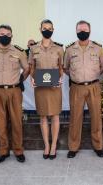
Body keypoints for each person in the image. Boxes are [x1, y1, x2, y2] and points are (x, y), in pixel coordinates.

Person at [64, 20, 103, 158]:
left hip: (94, 86)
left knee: (96, 117)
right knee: (75, 118)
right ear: (76, 31)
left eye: (85, 30)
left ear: (90, 31)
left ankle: (98, 146)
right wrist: (76, 76)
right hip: (76, 87)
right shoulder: (70, 49)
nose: (82, 32)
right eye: (80, 30)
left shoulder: (98, 48)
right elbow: (65, 68)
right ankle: (73, 147)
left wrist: (94, 76)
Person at [29, 19, 64, 160]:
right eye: (45, 28)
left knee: (55, 116)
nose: (47, 30)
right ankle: (46, 146)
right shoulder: (34, 49)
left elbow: (61, 68)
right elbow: (32, 68)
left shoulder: (59, 48)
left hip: (55, 87)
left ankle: (54, 145)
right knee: (43, 116)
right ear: (40, 29)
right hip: (40, 87)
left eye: (50, 28)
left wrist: (60, 78)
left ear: (53, 30)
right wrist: (32, 78)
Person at [0, 24, 29, 163]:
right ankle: (3, 151)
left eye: (8, 34)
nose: (5, 37)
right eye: (2, 34)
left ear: (12, 35)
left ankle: (18, 150)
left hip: (15, 90)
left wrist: (21, 80)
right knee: (1, 122)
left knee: (16, 121)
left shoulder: (19, 51)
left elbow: (27, 68)